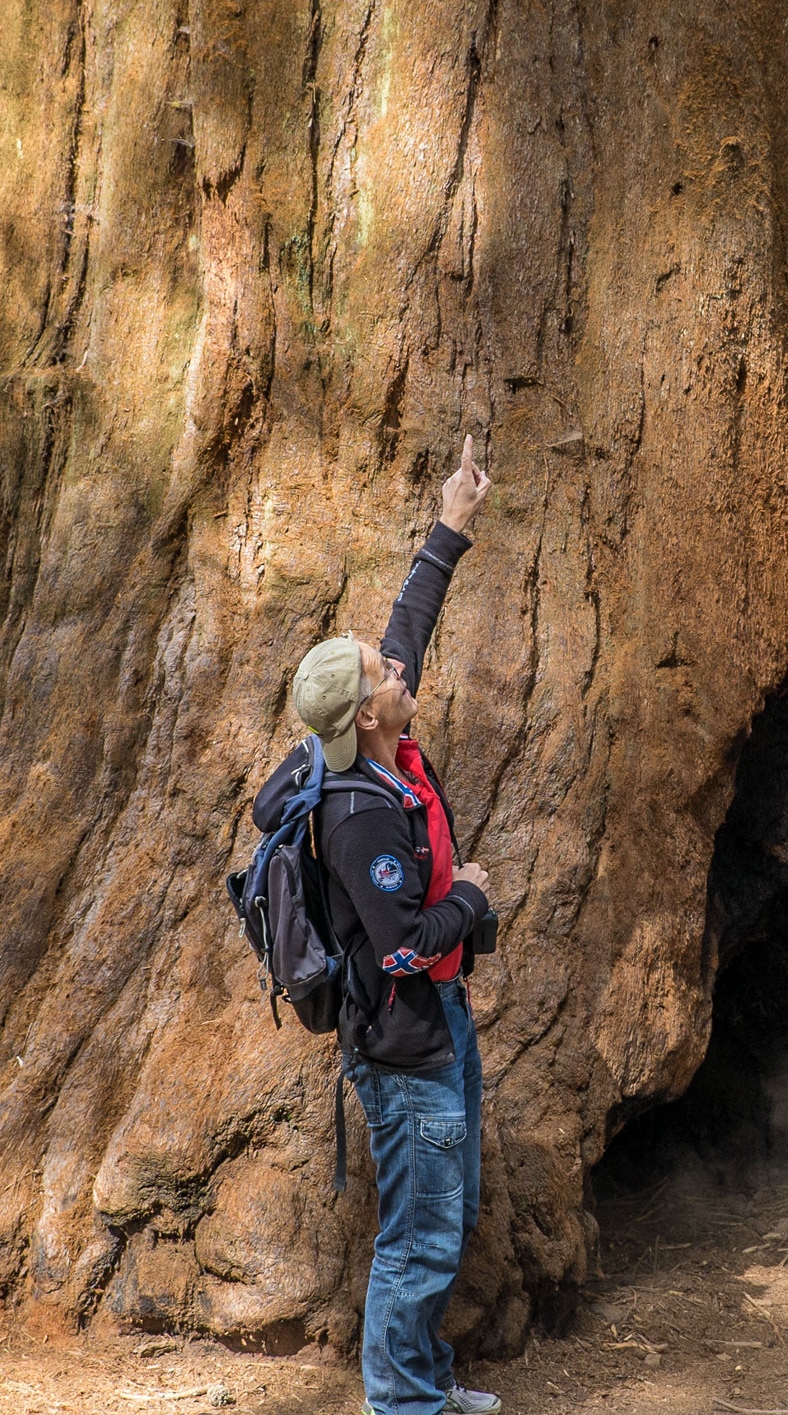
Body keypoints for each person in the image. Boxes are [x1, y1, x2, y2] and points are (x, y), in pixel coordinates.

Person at [284, 437, 502, 1415]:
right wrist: (477, 896)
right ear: (370, 711)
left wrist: (450, 524)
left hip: (436, 1016)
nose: (401, 665)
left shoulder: (373, 748)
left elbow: (407, 624)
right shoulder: (361, 809)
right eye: (387, 671)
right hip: (402, 1036)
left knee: (441, 1216)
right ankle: (399, 1403)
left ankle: (419, 1379)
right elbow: (404, 937)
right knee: (417, 1231)